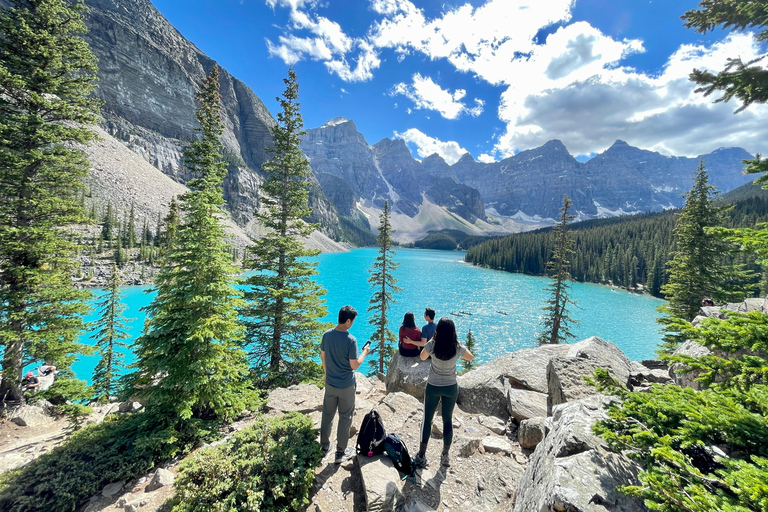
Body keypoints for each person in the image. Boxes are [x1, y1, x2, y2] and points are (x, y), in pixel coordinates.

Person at [413, 317, 473, 469]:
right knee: (447, 420)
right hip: (451, 387)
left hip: (433, 386)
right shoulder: (456, 347)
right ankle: (445, 456)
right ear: (453, 332)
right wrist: (459, 343)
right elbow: (470, 357)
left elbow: (421, 357)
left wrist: (431, 342)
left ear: (437, 331)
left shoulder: (432, 345)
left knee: (427, 419)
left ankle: (421, 455)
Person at [320, 305, 370, 465]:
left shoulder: (327, 335)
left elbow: (323, 356)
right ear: (348, 320)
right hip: (346, 386)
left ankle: (324, 446)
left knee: (327, 414)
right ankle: (340, 452)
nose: (353, 323)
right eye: (353, 320)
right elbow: (354, 365)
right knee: (345, 416)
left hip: (330, 383)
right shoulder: (351, 340)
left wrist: (327, 374)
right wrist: (365, 352)